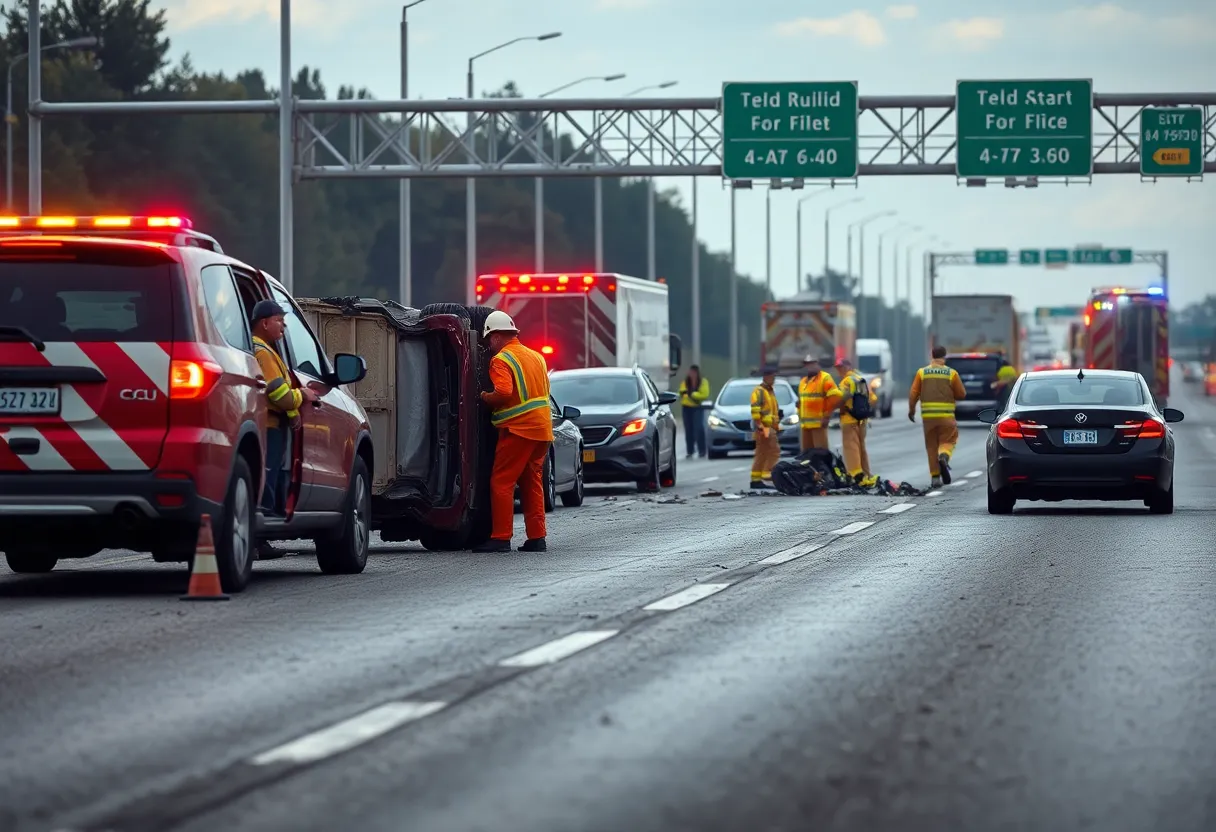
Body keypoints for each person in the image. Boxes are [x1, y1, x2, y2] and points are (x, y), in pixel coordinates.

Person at [474, 310, 554, 553]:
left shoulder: (501, 360)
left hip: (519, 429)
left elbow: (505, 393)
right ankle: (537, 537)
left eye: (489, 340)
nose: (489, 345)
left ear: (497, 337)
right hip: (542, 431)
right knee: (532, 483)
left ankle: (500, 537)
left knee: (502, 481)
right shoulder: (537, 357)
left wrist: (484, 397)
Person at [251, 299, 317, 516]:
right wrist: (302, 395)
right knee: (267, 476)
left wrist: (292, 412)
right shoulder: (262, 352)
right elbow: (278, 393)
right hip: (269, 425)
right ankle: (263, 530)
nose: (283, 326)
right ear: (264, 323)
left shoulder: (266, 350)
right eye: (279, 320)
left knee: (271, 473)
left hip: (274, 424)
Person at [908, 345, 967, 487]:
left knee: (931, 446)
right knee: (949, 440)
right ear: (944, 356)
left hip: (928, 418)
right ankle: (944, 455)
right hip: (946, 416)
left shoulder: (922, 373)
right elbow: (961, 394)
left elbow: (913, 394)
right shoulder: (951, 374)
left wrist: (911, 411)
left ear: (932, 355)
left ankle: (935, 478)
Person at [835, 357, 879, 487]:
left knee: (851, 448)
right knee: (861, 447)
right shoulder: (860, 379)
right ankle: (867, 474)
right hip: (862, 420)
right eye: (838, 368)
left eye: (841, 367)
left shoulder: (846, 381)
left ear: (847, 367)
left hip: (849, 420)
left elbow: (841, 398)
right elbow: (873, 398)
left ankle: (857, 476)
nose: (839, 370)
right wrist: (863, 410)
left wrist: (838, 407)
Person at [797, 355, 840, 452]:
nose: (809, 366)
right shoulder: (803, 382)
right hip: (805, 426)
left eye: (812, 363)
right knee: (806, 454)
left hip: (818, 424)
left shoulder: (825, 378)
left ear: (817, 364)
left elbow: (834, 398)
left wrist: (827, 416)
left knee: (821, 453)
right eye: (807, 364)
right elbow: (801, 401)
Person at [749, 366, 781, 490]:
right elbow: (755, 410)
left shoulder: (769, 391)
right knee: (773, 451)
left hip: (769, 427)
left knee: (763, 453)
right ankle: (766, 474)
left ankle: (757, 479)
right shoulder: (760, 391)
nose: (773, 379)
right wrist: (759, 425)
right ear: (766, 377)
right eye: (772, 377)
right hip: (764, 428)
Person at [678, 364, 710, 458]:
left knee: (699, 428)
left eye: (693, 372)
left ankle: (702, 450)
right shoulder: (685, 381)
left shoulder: (703, 382)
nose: (691, 374)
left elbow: (704, 394)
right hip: (686, 408)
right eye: (690, 372)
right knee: (688, 429)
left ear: (696, 373)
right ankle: (690, 451)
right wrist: (685, 393)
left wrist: (693, 394)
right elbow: (681, 391)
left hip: (697, 407)